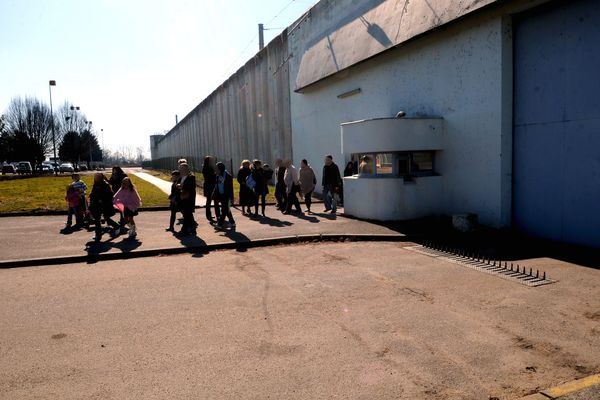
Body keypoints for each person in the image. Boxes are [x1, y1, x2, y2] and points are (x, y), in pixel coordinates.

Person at [89, 172, 120, 241]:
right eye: (96, 177)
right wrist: (91, 196)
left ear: (101, 177)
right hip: (96, 205)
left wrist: (101, 199)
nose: (96, 178)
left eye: (98, 176)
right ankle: (98, 235)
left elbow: (109, 195)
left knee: (106, 218)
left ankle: (117, 226)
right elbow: (93, 193)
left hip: (104, 205)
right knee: (97, 220)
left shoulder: (105, 185)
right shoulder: (95, 184)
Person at [213, 162, 236, 230]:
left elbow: (230, 188)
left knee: (224, 210)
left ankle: (219, 224)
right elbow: (216, 186)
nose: (215, 170)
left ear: (220, 169)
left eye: (217, 169)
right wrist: (214, 195)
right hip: (220, 195)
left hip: (227, 196)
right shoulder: (217, 176)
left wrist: (231, 198)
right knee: (227, 210)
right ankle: (232, 222)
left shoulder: (228, 176)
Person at [178, 163, 197, 235]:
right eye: (180, 169)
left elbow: (191, 187)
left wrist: (181, 186)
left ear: (186, 169)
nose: (181, 171)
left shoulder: (191, 177)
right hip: (182, 199)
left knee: (187, 214)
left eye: (182, 169)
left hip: (189, 199)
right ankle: (193, 229)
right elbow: (177, 185)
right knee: (188, 214)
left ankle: (184, 230)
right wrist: (178, 186)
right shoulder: (180, 178)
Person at [202, 156, 220, 222]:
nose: (212, 161)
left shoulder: (212, 167)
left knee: (215, 200)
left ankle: (217, 215)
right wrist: (215, 173)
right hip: (208, 186)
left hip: (213, 185)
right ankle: (208, 215)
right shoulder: (205, 168)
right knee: (209, 201)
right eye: (211, 160)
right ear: (208, 161)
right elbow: (210, 177)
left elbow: (216, 173)